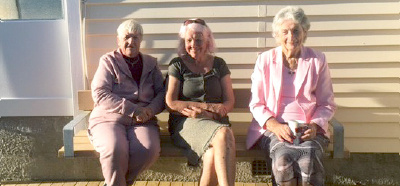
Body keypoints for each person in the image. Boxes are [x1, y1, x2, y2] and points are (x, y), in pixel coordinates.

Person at [246, 6, 336, 186]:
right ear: (277, 35)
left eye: (296, 31)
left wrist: (315, 125)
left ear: (304, 32)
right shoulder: (264, 60)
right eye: (285, 31)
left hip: (308, 129)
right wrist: (275, 126)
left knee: (308, 160)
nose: (291, 37)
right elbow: (256, 103)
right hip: (274, 128)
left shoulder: (317, 60)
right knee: (283, 161)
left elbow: (327, 103)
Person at [88, 19, 165, 186]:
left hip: (142, 121)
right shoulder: (108, 61)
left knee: (148, 151)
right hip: (109, 119)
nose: (131, 42)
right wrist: (133, 109)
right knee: (115, 150)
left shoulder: (151, 64)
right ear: (118, 40)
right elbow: (100, 93)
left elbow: (162, 93)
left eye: (136, 37)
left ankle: (119, 183)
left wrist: (149, 111)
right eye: (127, 37)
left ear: (141, 40)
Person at [165, 18, 236, 186]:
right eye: (189, 40)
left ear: (207, 41)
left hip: (216, 122)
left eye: (198, 39)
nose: (193, 44)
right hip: (186, 123)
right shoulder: (177, 65)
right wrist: (205, 108)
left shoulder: (219, 64)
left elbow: (229, 101)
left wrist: (213, 113)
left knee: (212, 155)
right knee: (225, 134)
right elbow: (171, 102)